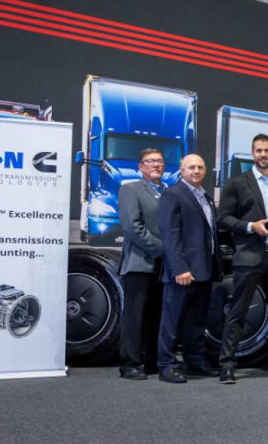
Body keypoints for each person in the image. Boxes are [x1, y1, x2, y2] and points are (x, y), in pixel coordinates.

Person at [216, 134, 268, 384]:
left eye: (267, 150)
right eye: (258, 150)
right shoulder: (237, 183)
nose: (263, 154)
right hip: (249, 256)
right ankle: (227, 365)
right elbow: (223, 219)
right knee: (237, 313)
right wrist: (252, 226)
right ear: (252, 154)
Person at [156, 154, 223, 383]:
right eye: (191, 167)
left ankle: (195, 361)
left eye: (200, 167)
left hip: (204, 270)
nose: (196, 170)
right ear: (182, 170)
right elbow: (169, 235)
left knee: (196, 322)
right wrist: (180, 268)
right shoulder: (172, 194)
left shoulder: (205, 197)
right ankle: (166, 365)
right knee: (171, 321)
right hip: (182, 272)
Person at [117, 148, 167, 380]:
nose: (156, 165)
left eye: (159, 161)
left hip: (163, 267)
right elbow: (133, 228)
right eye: (150, 161)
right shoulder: (130, 189)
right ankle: (130, 363)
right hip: (140, 263)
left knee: (156, 316)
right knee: (135, 317)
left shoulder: (167, 191)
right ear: (141, 166)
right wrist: (162, 249)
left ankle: (151, 361)